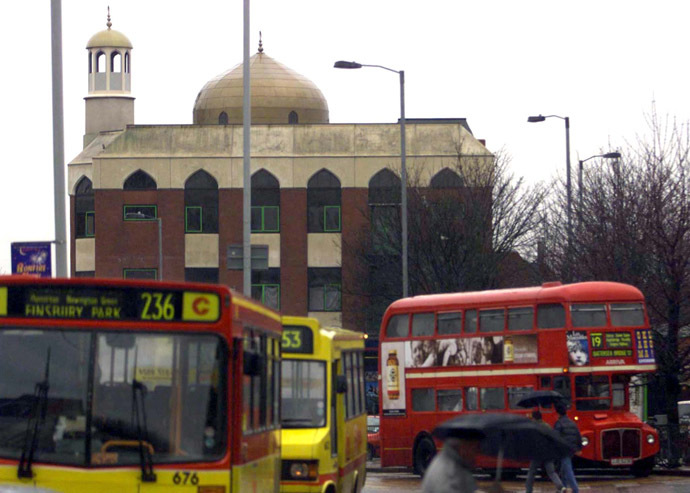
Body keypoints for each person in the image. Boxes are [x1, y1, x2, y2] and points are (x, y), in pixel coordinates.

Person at [525, 410, 566, 493]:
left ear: (534, 418)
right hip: (548, 453)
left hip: (537, 453)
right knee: (551, 472)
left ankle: (529, 490)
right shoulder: (547, 426)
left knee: (532, 473)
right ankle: (561, 487)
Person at [554, 401, 582, 493]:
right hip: (571, 449)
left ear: (558, 413)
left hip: (563, 449)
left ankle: (575, 490)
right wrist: (579, 448)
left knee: (568, 471)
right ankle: (563, 488)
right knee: (564, 470)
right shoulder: (572, 423)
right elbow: (578, 435)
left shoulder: (558, 424)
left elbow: (556, 437)